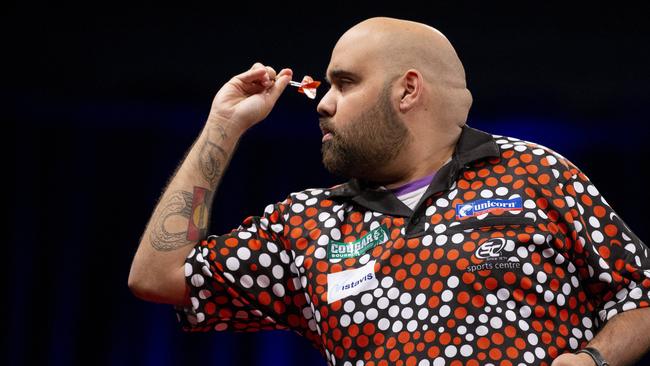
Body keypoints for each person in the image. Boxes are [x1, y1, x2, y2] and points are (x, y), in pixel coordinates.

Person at [128, 17, 650, 366]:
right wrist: (223, 126)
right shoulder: (306, 223)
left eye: (345, 83)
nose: (322, 104)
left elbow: (641, 295)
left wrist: (593, 360)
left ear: (407, 89)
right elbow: (158, 276)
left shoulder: (535, 173)